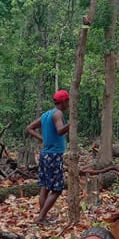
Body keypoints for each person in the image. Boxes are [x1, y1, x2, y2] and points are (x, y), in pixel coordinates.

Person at [25, 89, 70, 224]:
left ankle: (42, 217)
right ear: (63, 101)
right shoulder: (58, 114)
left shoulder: (46, 114)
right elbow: (60, 130)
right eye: (68, 101)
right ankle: (41, 217)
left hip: (45, 155)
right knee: (57, 190)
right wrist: (71, 123)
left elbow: (29, 128)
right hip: (54, 156)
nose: (69, 103)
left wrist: (42, 138)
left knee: (45, 187)